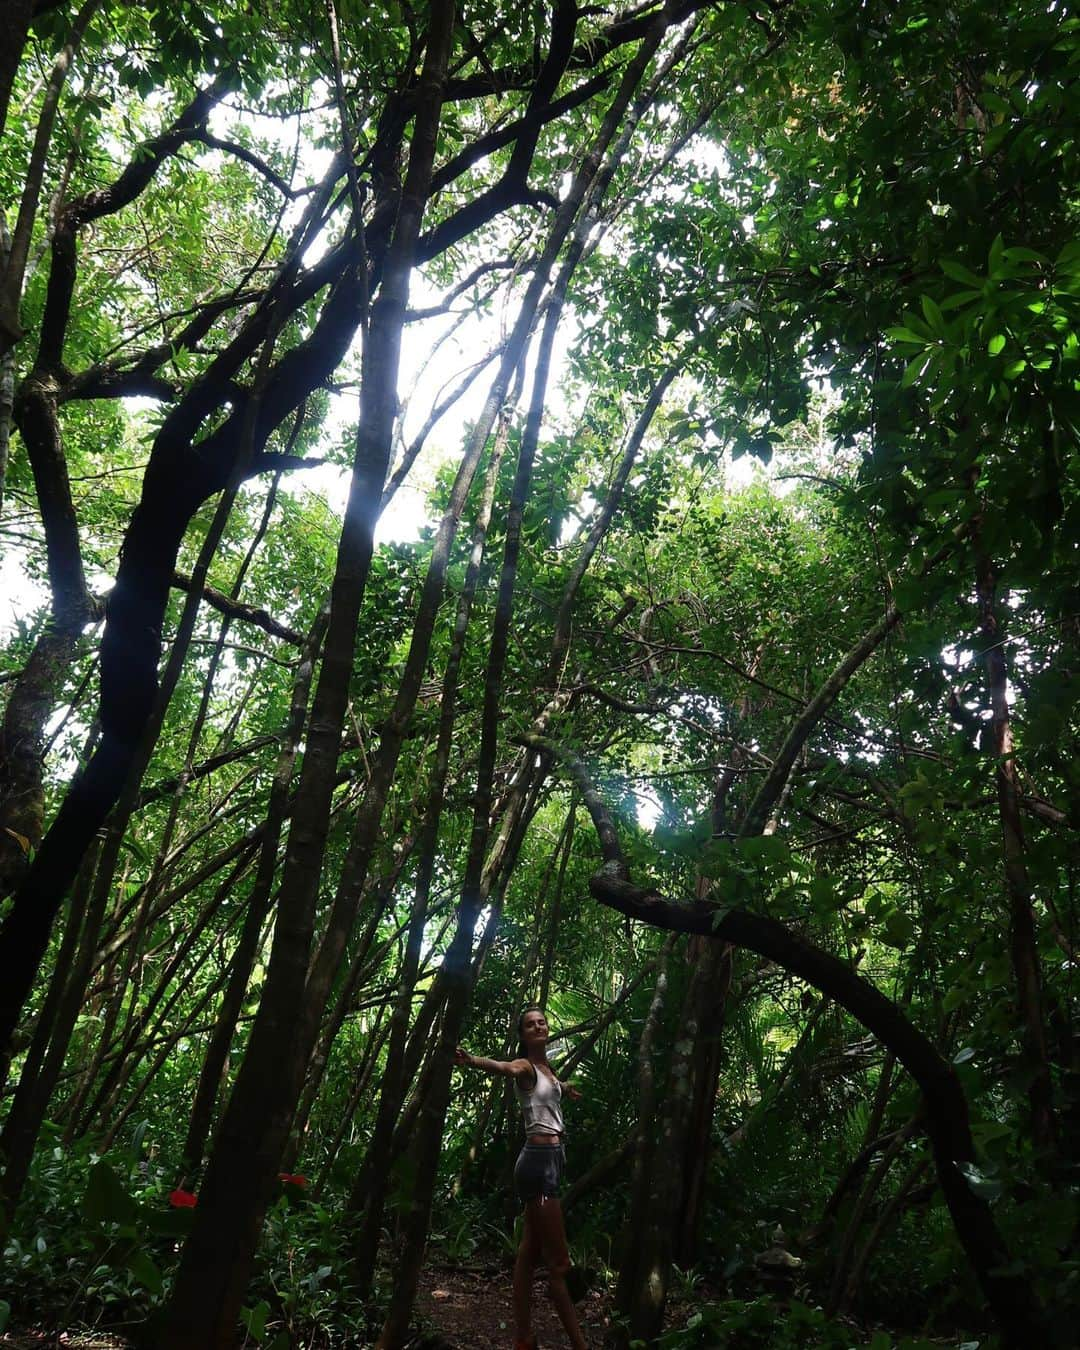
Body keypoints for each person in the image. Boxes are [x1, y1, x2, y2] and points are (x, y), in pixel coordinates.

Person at [455, 1004, 588, 1350]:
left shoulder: (547, 1068)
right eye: (530, 1025)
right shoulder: (526, 1066)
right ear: (523, 1036)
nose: (538, 1026)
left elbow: (548, 1099)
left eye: (542, 1022)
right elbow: (505, 1068)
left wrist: (566, 1090)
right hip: (538, 1165)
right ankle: (580, 1345)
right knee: (559, 1263)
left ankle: (523, 1338)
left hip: (551, 1161)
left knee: (529, 1254)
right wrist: (473, 1061)